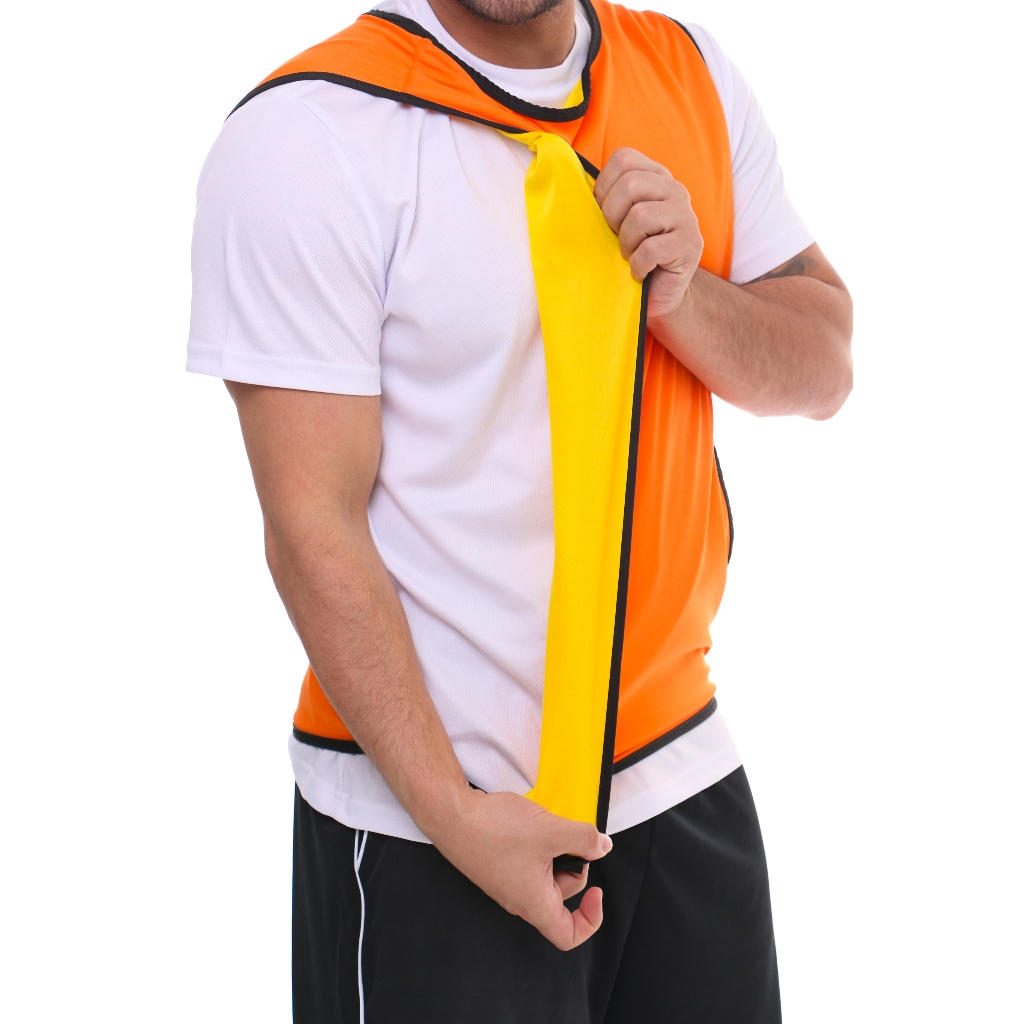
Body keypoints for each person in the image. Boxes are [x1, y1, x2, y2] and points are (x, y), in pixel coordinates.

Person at [187, 0, 853, 1018]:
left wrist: (684, 295)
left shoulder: (689, 72)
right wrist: (456, 817)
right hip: (431, 825)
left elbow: (824, 365)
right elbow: (310, 524)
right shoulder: (307, 133)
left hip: (682, 773)